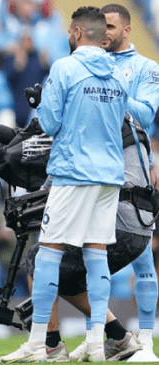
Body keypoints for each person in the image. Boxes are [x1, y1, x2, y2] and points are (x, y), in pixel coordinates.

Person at [0, 6, 128, 362]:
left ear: (74, 33)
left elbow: (51, 123)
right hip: (109, 175)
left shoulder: (66, 67)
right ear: (102, 35)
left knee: (47, 256)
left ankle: (42, 342)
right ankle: (99, 344)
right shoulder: (118, 74)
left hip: (73, 173)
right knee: (95, 254)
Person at [18, 116, 151, 362]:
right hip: (140, 227)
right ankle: (119, 337)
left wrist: (40, 194)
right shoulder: (132, 123)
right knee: (66, 280)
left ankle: (51, 345)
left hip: (117, 222)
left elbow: (73, 165)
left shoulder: (97, 117)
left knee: (39, 259)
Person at [99, 5, 159, 361]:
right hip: (93, 172)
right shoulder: (90, 65)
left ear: (128, 29)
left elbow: (147, 114)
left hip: (132, 171)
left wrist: (108, 88)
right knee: (91, 255)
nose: (103, 32)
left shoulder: (148, 69)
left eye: (110, 26)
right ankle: (99, 337)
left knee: (142, 260)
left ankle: (148, 342)